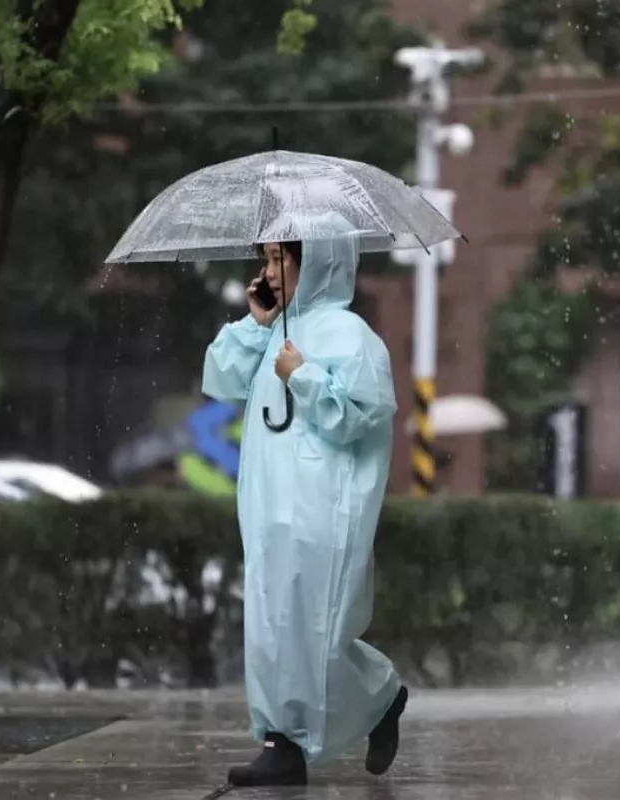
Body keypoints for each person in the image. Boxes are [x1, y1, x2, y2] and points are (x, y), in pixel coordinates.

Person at [201, 231, 407, 787]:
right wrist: (256, 325)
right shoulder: (275, 331)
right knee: (271, 621)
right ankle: (281, 740)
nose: (269, 273)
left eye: (279, 259)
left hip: (323, 505)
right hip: (269, 503)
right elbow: (219, 377)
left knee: (316, 626)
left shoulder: (350, 335)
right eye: (266, 260)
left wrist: (304, 375)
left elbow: (361, 414)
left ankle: (378, 695)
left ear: (314, 262)